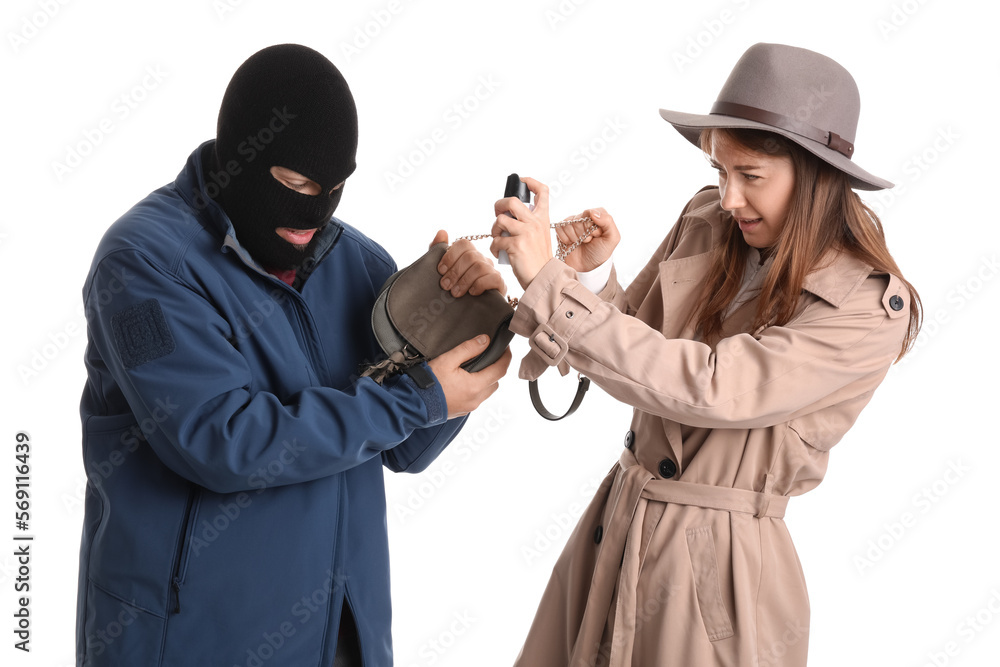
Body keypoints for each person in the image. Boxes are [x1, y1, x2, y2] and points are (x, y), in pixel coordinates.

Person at [75, 44, 510, 667]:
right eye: (294, 184)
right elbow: (219, 440)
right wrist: (413, 398)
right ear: (241, 155)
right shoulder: (145, 264)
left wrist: (466, 324)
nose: (313, 210)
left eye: (333, 188)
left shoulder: (356, 261)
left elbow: (407, 446)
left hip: (340, 634)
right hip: (193, 640)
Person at [491, 43, 921, 666]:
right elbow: (635, 349)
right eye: (721, 171)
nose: (728, 198)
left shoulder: (866, 306)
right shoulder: (707, 220)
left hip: (722, 569)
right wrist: (586, 277)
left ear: (818, 178)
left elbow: (711, 389)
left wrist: (547, 285)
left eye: (750, 177)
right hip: (616, 526)